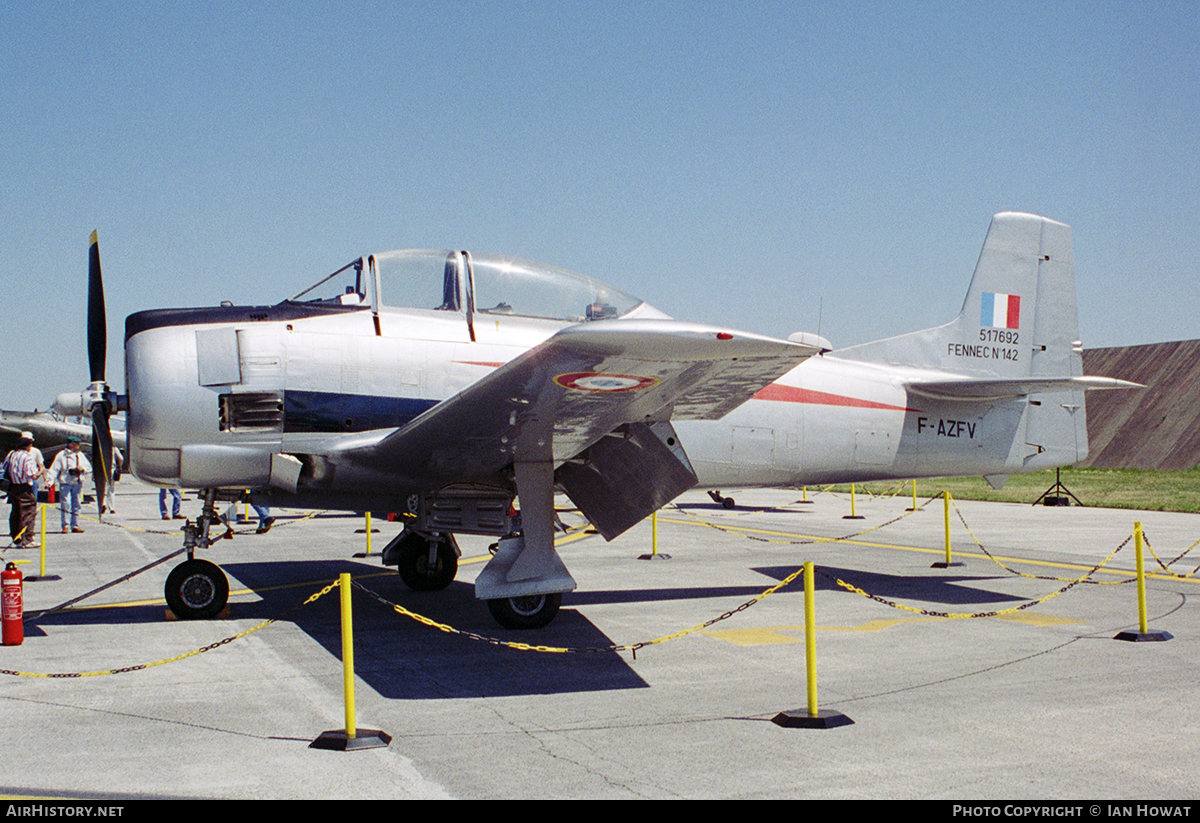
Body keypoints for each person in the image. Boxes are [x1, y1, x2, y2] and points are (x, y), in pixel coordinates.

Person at [2, 433, 44, 546]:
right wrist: (40, 470)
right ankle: (27, 539)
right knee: (29, 512)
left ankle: (16, 538)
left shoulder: (11, 454)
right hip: (24, 487)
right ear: (28, 446)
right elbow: (32, 475)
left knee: (15, 513)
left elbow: (4, 468)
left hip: (13, 487)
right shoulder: (27, 457)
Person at [47, 436, 90, 534]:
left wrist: (82, 469)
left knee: (77, 504)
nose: (77, 446)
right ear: (70, 444)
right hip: (65, 482)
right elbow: (54, 469)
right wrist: (50, 481)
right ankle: (65, 525)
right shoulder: (61, 455)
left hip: (78, 482)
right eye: (76, 444)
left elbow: (88, 467)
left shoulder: (80, 455)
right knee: (66, 504)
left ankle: (75, 525)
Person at [103, 445, 123, 514]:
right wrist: (119, 467)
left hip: (102, 469)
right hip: (111, 468)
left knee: (102, 488)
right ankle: (111, 508)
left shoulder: (100, 447)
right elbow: (121, 459)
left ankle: (103, 504)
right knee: (111, 489)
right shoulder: (114, 448)